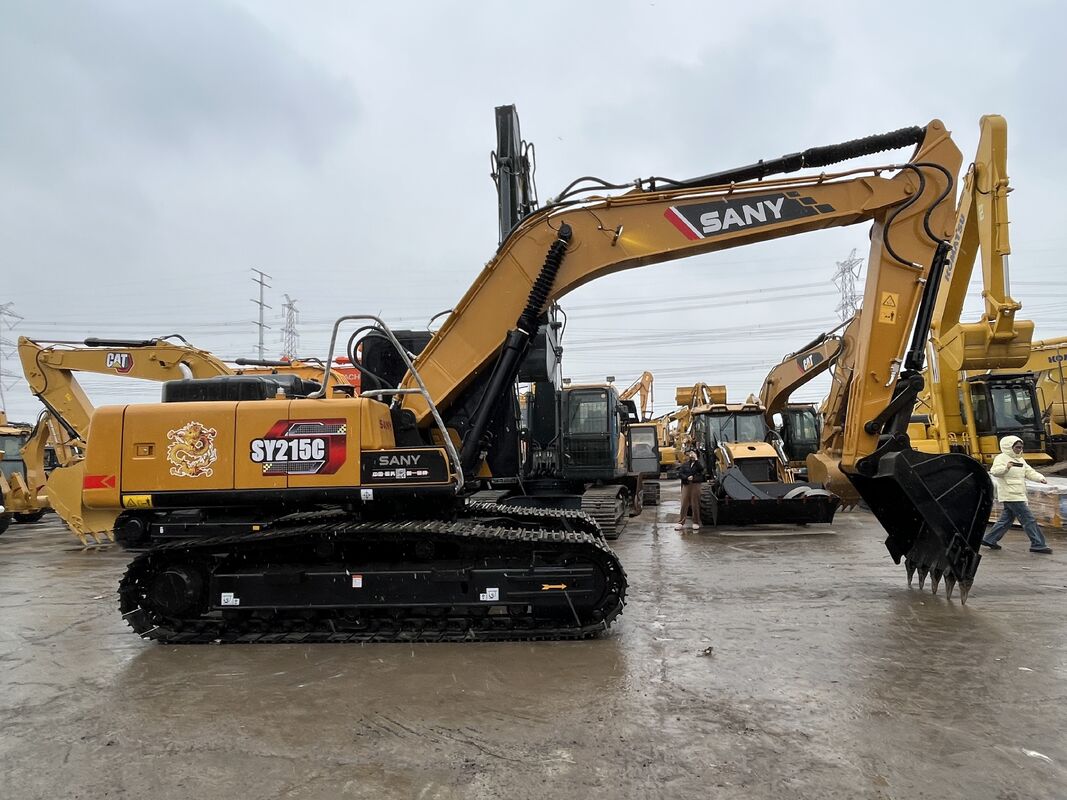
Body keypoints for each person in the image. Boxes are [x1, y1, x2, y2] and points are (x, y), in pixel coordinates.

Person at [982, 435, 1053, 554]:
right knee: (1029, 519)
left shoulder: (1020, 459)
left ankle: (989, 539)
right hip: (1011, 495)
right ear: (1009, 447)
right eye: (1017, 447)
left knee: (1006, 520)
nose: (1020, 449)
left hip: (1017, 494)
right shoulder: (1001, 458)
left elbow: (1029, 471)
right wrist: (1006, 468)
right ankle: (1038, 544)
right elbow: (994, 471)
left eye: (1021, 447)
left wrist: (1040, 478)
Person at [675, 449, 706, 530]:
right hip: (687, 484)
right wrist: (686, 477)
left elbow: (701, 470)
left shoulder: (699, 464)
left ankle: (696, 522)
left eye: (693, 453)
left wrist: (696, 459)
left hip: (695, 485)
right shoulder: (685, 464)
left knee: (695, 503)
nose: (691, 455)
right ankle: (681, 522)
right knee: (684, 503)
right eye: (690, 454)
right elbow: (680, 473)